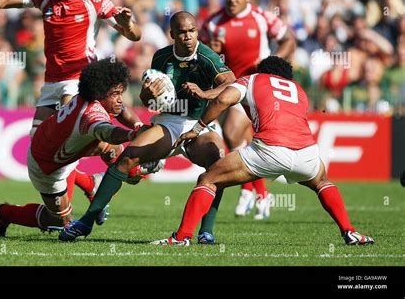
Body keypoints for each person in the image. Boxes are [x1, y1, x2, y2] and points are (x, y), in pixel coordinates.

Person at [151, 56, 374, 246]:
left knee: (208, 179)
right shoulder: (299, 90)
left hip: (269, 150)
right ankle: (349, 232)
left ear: (263, 71)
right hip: (307, 152)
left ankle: (181, 237)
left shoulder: (253, 79)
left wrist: (198, 128)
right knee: (322, 182)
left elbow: (223, 99)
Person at [0, 0, 144, 204]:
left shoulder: (93, 0)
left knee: (68, 134)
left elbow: (134, 35)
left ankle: (122, 160)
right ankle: (97, 178)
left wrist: (127, 24)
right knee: (40, 149)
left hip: (80, 79)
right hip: (51, 83)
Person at [59, 11, 236, 243]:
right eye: (182, 32)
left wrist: (204, 93)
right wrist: (146, 94)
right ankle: (86, 222)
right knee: (127, 158)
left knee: (217, 164)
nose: (188, 37)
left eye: (192, 31)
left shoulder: (207, 56)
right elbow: (151, 102)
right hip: (170, 121)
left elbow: (231, 83)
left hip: (201, 123)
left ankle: (206, 231)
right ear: (172, 34)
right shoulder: (161, 58)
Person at [0, 58, 162, 237]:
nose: (119, 99)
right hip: (46, 166)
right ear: (101, 93)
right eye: (115, 94)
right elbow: (106, 132)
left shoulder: (93, 96)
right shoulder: (90, 114)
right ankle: (1, 213)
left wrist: (139, 126)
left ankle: (129, 172)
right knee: (58, 222)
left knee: (113, 150)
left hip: (61, 146)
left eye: (120, 93)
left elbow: (122, 110)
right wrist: (132, 135)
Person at [201, 0, 296, 219]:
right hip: (229, 84)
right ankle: (257, 192)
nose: (232, 0)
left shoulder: (262, 17)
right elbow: (199, 52)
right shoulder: (213, 23)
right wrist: (210, 49)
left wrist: (270, 67)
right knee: (240, 140)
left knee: (232, 134)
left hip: (257, 85)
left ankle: (252, 191)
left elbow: (288, 40)